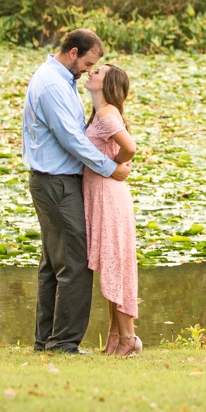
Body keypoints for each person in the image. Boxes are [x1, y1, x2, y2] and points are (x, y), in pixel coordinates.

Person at [21, 28, 130, 353]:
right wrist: (111, 169)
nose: (89, 69)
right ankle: (63, 344)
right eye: (89, 62)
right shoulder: (53, 84)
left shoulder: (62, 80)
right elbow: (72, 139)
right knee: (74, 263)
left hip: (57, 180)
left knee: (54, 265)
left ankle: (47, 340)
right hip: (56, 182)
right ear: (73, 53)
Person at [83, 63, 140, 356]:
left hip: (109, 195)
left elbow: (130, 148)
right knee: (111, 265)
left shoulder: (106, 114)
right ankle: (115, 338)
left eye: (98, 72)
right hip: (101, 195)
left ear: (108, 85)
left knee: (115, 264)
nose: (91, 72)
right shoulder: (99, 114)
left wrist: (113, 166)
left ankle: (129, 339)